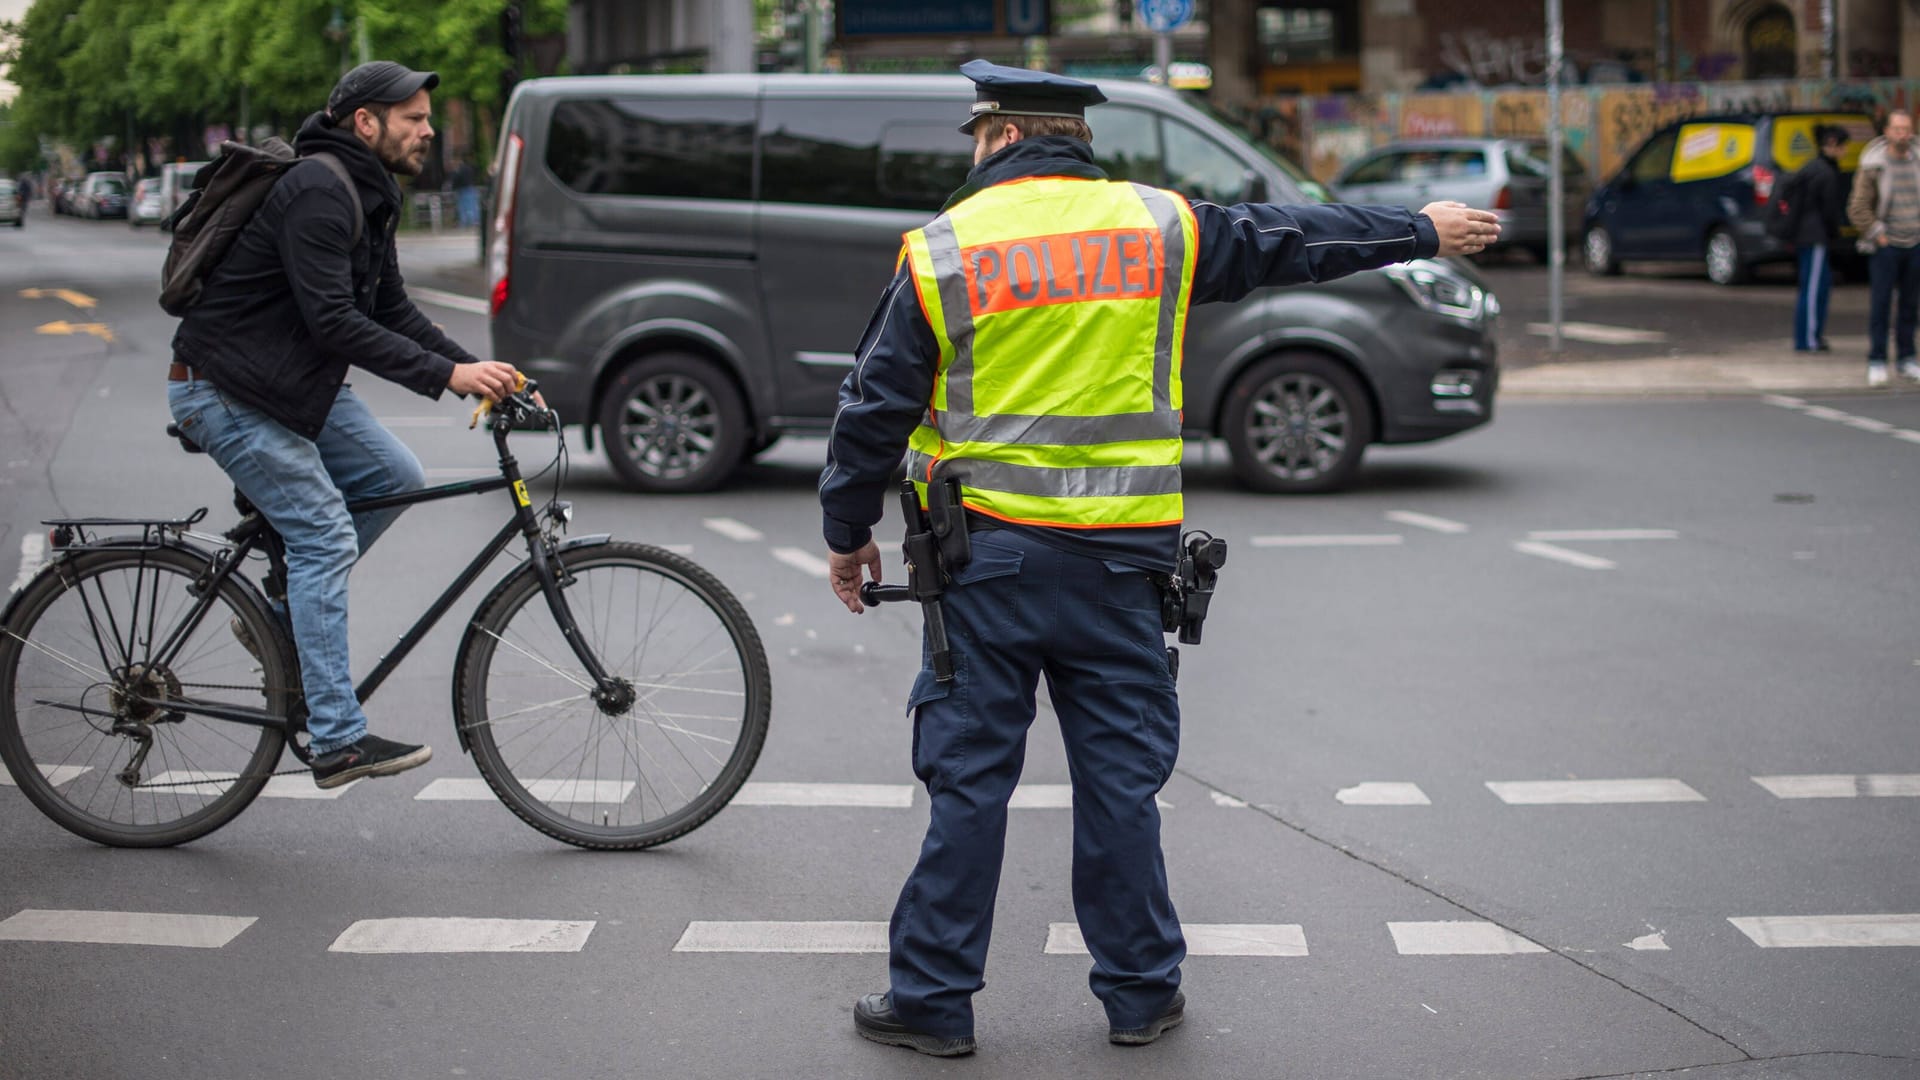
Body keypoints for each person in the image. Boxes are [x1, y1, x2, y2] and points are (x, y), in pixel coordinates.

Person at [819, 60, 1500, 1057]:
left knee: (968, 786)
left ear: (1004, 136)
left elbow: (871, 411)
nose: (972, 153)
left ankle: (932, 1000)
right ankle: (1139, 993)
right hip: (1123, 574)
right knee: (1118, 788)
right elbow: (1292, 242)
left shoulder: (944, 249)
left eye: (976, 136)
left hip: (986, 572)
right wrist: (1421, 230)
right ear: (1076, 139)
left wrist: (847, 537)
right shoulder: (1163, 228)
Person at [167, 60, 524, 789]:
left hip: (285, 384)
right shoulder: (319, 192)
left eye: (428, 118)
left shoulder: (368, 191)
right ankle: (336, 742)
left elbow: (389, 308)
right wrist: (446, 376)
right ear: (367, 123)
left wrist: (476, 372)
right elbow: (334, 321)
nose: (428, 130)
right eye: (415, 119)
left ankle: (279, 607)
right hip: (224, 390)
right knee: (325, 533)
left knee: (395, 476)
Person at [1848, 110, 1920, 385]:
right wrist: (1878, 235)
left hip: (1915, 242)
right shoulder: (1873, 164)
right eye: (1898, 129)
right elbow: (1857, 207)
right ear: (1887, 132)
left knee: (1910, 305)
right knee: (1880, 304)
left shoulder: (1917, 161)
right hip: (1886, 245)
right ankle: (1877, 359)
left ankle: (1907, 358)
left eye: (1907, 128)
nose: (1903, 134)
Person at [1790, 125, 1849, 352]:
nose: (1845, 152)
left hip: (1808, 235)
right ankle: (1808, 339)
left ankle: (1809, 337)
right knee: (1814, 288)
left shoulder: (1813, 167)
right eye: (1843, 146)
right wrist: (1837, 233)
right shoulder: (1825, 172)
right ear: (1832, 144)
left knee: (1816, 285)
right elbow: (1828, 210)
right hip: (1814, 237)